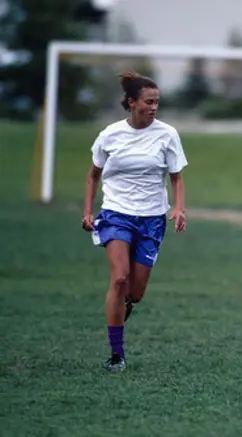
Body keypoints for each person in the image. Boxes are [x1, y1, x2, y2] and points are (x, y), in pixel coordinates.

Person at [81, 71, 188, 372]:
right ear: (131, 103)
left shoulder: (167, 135)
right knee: (118, 278)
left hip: (152, 218)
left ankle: (124, 304)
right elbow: (93, 176)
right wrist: (88, 211)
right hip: (116, 213)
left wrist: (179, 208)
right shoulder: (109, 135)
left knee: (135, 292)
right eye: (149, 102)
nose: (154, 107)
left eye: (157, 102)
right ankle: (117, 355)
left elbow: (177, 177)